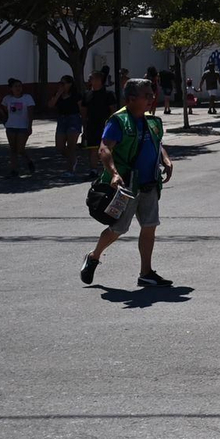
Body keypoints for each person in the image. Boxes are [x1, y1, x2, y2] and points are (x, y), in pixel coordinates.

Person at [80, 79, 175, 288]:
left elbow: (156, 144)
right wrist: (113, 173)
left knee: (149, 227)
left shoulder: (152, 121)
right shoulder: (118, 121)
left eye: (152, 94)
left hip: (150, 183)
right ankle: (94, 256)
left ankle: (146, 272)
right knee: (117, 229)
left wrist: (165, 159)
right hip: (126, 187)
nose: (151, 99)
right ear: (131, 99)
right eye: (147, 95)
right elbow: (104, 149)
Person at [80, 71, 118, 178]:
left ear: (100, 80)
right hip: (91, 125)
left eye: (94, 78)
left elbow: (113, 110)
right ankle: (93, 170)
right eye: (91, 79)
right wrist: (84, 125)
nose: (92, 81)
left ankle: (109, 170)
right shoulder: (87, 94)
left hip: (106, 125)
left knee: (106, 148)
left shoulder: (108, 94)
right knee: (92, 148)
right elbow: (83, 110)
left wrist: (112, 124)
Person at [0, 78, 37, 177]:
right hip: (11, 126)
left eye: (20, 86)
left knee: (20, 149)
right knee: (12, 149)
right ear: (11, 88)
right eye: (15, 86)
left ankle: (29, 162)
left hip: (23, 127)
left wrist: (30, 125)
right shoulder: (8, 99)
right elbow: (4, 110)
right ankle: (14, 170)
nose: (18, 88)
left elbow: (30, 113)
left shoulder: (27, 98)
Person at [47, 74, 84, 175]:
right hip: (62, 119)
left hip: (74, 119)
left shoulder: (76, 95)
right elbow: (50, 105)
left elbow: (81, 109)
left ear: (70, 84)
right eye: (60, 83)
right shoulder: (58, 94)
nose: (62, 85)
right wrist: (58, 94)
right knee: (60, 147)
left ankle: (70, 169)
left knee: (71, 146)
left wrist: (84, 121)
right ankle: (73, 160)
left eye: (64, 83)